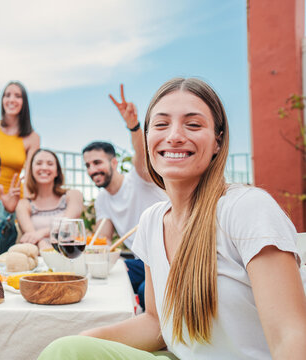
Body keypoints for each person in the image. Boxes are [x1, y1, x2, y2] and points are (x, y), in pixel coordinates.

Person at [39, 78, 306, 359]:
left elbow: (291, 336)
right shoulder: (152, 220)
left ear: (217, 141)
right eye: (162, 124)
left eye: (193, 124)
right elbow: (156, 323)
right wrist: (83, 343)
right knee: (65, 349)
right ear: (149, 137)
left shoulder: (246, 208)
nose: (175, 136)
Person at [82, 85, 167, 309]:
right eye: (88, 165)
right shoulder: (102, 199)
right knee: (102, 284)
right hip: (139, 262)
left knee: (142, 291)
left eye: (97, 163)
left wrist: (134, 126)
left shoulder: (138, 177)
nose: (92, 170)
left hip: (169, 257)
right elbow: (104, 239)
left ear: (113, 162)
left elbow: (141, 154)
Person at [0, 81, 40, 196]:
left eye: (17, 96)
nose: (11, 100)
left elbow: (29, 178)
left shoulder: (33, 138)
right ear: (2, 100)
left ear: (24, 102)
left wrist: (26, 205)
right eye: (7, 95)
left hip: (15, 198)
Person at [16, 149, 84, 251]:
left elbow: (66, 224)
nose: (44, 167)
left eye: (50, 164)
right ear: (31, 170)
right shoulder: (24, 204)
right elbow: (31, 236)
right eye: (39, 163)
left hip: (70, 254)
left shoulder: (73, 195)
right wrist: (45, 248)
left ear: (57, 171)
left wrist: (41, 233)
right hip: (39, 257)